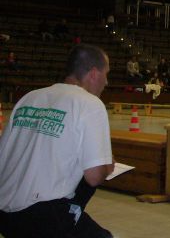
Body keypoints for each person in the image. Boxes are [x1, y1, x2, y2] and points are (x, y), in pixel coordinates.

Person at [0, 44, 114, 237]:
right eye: (106, 74)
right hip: (41, 217)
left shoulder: (29, 98)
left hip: (4, 213)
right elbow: (94, 177)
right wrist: (106, 166)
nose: (107, 82)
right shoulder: (90, 103)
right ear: (94, 73)